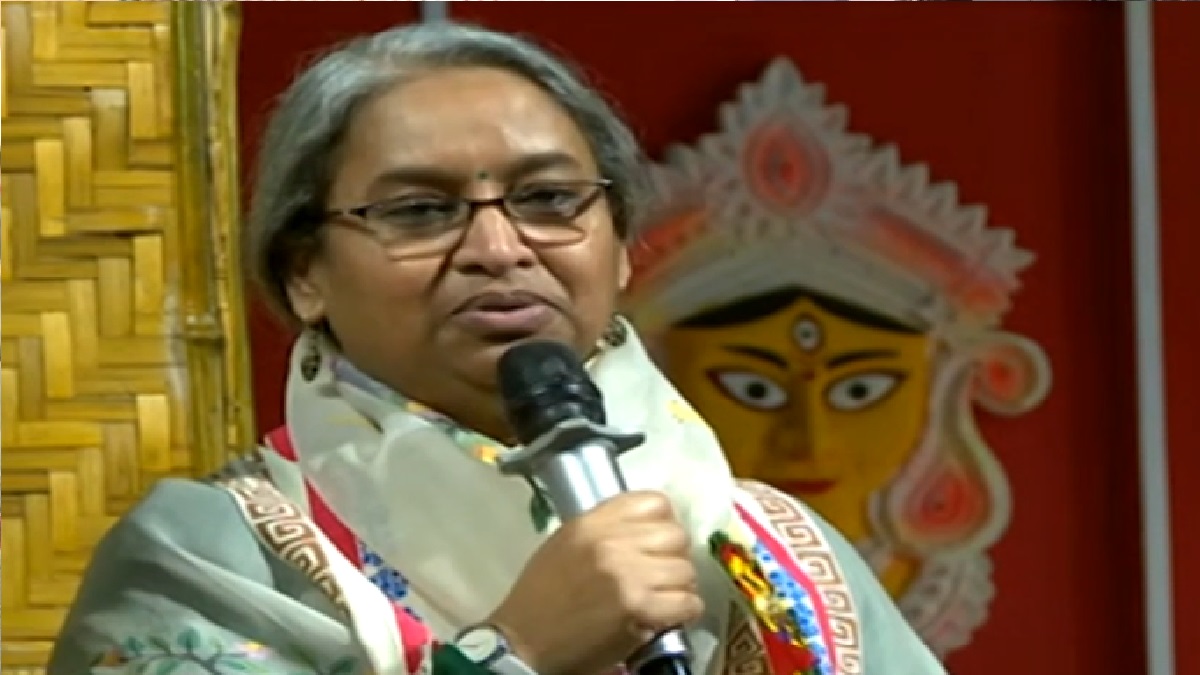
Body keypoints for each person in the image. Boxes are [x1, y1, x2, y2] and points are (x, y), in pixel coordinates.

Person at [50, 22, 946, 675]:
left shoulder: (778, 553)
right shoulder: (212, 553)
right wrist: (517, 651)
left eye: (549, 199)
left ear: (621, 247)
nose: (498, 247)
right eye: (419, 210)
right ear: (302, 273)